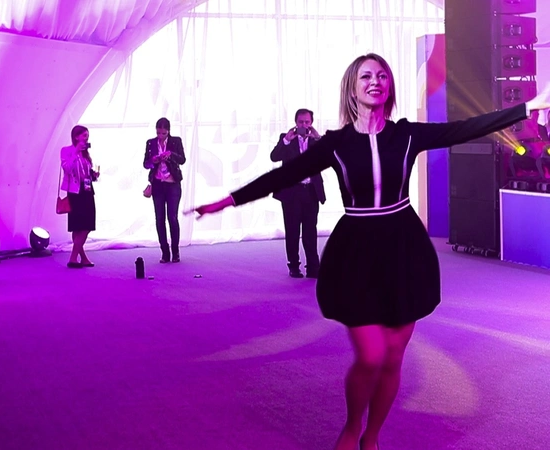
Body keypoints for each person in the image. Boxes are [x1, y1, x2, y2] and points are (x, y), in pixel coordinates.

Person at [190, 53, 550, 450]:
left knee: (393, 355)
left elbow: (464, 128)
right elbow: (284, 174)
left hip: (403, 247)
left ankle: (372, 436)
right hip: (357, 250)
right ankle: (351, 427)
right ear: (352, 88)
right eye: (365, 76)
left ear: (389, 86)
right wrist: (228, 201)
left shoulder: (407, 135)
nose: (375, 81)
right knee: (371, 354)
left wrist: (527, 107)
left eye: (382, 75)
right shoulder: (335, 143)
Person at [270, 108, 326, 278]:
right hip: (291, 192)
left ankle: (313, 267)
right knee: (292, 231)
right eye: (301, 122)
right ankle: (294, 266)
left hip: (311, 191)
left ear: (311, 123)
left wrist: (318, 138)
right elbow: (274, 157)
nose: (304, 125)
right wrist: (287, 140)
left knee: (310, 231)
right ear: (295, 123)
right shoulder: (286, 138)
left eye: (307, 122)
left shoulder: (316, 140)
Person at [143, 118, 186, 263]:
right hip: (157, 184)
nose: (160, 136)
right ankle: (164, 252)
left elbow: (182, 160)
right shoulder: (151, 143)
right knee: (159, 219)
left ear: (168, 131)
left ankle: (176, 252)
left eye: (163, 133)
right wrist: (153, 160)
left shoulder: (176, 141)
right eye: (158, 133)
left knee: (172, 218)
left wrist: (170, 155)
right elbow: (146, 164)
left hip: (172, 184)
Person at [60, 125, 98, 268]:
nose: (86, 139)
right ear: (76, 137)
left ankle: (81, 257)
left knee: (87, 224)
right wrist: (75, 152)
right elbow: (67, 168)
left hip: (87, 189)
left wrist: (93, 175)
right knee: (78, 225)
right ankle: (73, 258)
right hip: (75, 192)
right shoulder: (66, 151)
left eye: (87, 136)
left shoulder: (86, 153)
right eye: (84, 136)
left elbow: (86, 171)